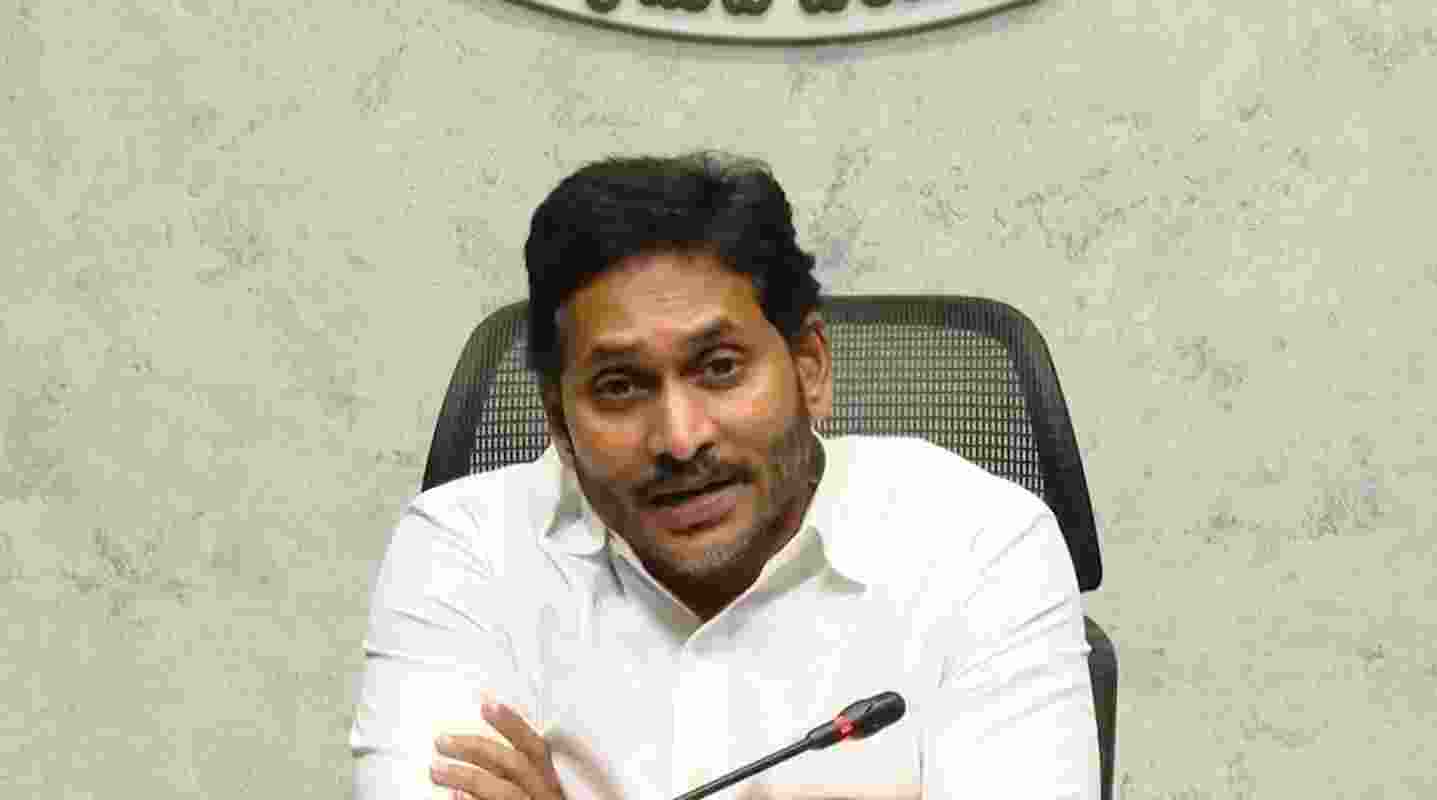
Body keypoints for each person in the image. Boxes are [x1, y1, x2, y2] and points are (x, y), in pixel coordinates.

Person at [349, 151, 1100, 800]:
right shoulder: (463, 552)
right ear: (558, 420)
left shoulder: (983, 545)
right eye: (619, 386)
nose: (680, 438)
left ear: (809, 366)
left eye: (719, 368)